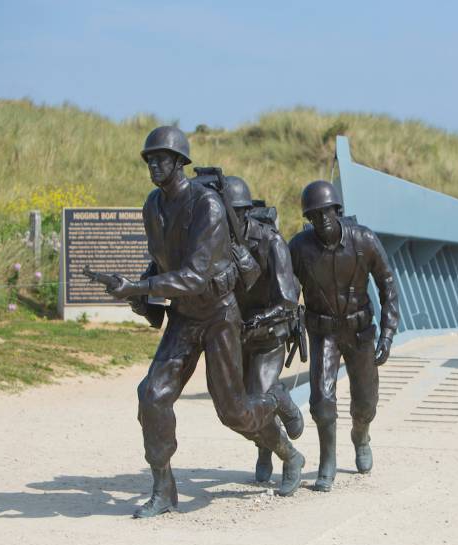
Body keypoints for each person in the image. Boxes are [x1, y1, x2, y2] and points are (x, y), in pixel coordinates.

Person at [108, 126, 305, 518]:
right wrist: (143, 296)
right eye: (149, 158)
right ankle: (164, 489)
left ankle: (283, 434)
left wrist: (137, 286)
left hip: (217, 315)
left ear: (180, 162)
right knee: (152, 395)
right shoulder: (153, 205)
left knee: (233, 411)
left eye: (161, 158)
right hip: (184, 316)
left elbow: (196, 275)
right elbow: (163, 261)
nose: (154, 165)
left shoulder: (207, 205)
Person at [288, 180, 399, 492]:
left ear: (337, 211)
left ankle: (361, 435)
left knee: (366, 402)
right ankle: (327, 460)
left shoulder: (363, 240)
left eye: (327, 212)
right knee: (321, 401)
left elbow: (387, 283)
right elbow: (282, 283)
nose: (322, 220)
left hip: (360, 331)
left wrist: (388, 333)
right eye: (314, 215)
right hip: (323, 332)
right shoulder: (300, 247)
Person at [223, 176, 301, 483]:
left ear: (241, 212)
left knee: (257, 398)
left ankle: (289, 452)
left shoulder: (272, 243)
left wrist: (260, 319)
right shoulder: (218, 244)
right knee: (236, 410)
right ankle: (264, 447)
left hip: (269, 334)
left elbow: (288, 301)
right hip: (236, 335)